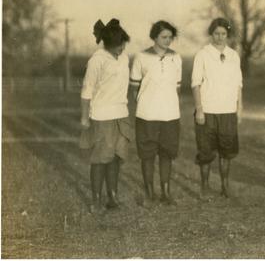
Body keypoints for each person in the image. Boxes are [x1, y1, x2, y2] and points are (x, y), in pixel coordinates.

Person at [79, 19, 132, 212]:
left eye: (124, 44)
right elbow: (86, 91)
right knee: (101, 158)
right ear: (108, 44)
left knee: (116, 157)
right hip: (101, 116)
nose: (122, 48)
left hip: (121, 115)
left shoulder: (124, 58)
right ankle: (96, 200)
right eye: (119, 45)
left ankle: (112, 196)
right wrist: (85, 118)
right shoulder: (96, 60)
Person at [129, 21, 182, 205]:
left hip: (170, 115)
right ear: (154, 37)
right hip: (147, 115)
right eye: (164, 37)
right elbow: (135, 88)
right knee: (147, 154)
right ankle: (150, 192)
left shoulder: (176, 57)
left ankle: (165, 192)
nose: (168, 41)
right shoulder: (141, 57)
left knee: (167, 153)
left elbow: (177, 87)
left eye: (170, 37)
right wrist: (145, 103)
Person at [191, 18, 243, 198]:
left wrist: (239, 108)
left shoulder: (234, 55)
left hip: (228, 111)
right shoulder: (203, 54)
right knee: (205, 150)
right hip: (208, 111)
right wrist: (199, 109)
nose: (220, 37)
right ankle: (205, 187)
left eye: (223, 34)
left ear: (228, 35)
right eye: (216, 34)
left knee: (227, 151)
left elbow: (238, 84)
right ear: (211, 34)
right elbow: (195, 84)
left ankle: (224, 186)